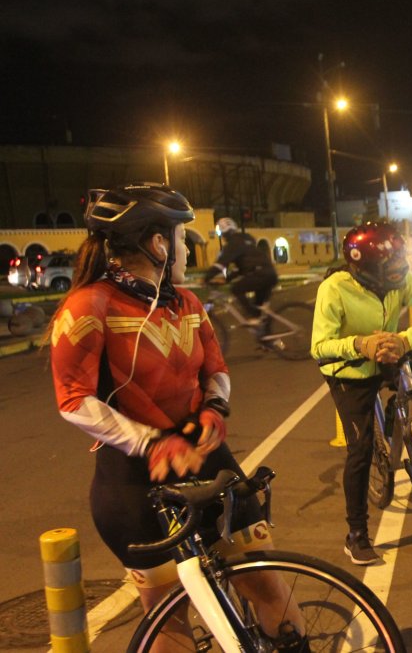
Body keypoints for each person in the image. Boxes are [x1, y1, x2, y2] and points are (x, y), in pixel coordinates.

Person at [50, 183, 308, 647]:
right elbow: (73, 399)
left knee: (265, 581)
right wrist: (151, 441)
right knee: (170, 616)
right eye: (182, 238)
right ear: (158, 244)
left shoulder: (185, 303)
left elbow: (217, 367)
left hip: (207, 458)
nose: (188, 248)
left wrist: (213, 409)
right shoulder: (90, 306)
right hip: (134, 478)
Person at [311, 221, 412, 564]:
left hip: (391, 356)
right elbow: (319, 346)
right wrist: (361, 344)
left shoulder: (401, 281)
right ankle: (356, 534)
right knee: (359, 451)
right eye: (391, 265)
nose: (400, 270)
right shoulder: (334, 288)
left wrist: (403, 339)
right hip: (351, 371)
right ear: (367, 267)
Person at [204, 217, 279, 344]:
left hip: (259, 274)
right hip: (269, 273)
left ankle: (254, 318)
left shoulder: (232, 244)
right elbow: (243, 267)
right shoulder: (246, 239)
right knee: (260, 308)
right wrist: (227, 279)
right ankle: (267, 340)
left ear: (224, 233)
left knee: (236, 289)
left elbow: (220, 264)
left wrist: (206, 278)